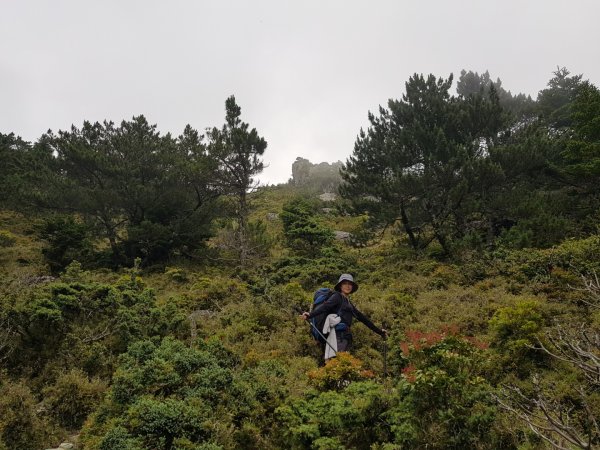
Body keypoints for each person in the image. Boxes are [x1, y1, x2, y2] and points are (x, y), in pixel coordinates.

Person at [301, 273, 387, 357]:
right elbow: (325, 306)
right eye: (345, 283)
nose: (348, 286)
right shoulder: (337, 296)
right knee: (338, 363)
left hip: (345, 336)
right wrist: (310, 315)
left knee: (340, 363)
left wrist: (379, 332)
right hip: (338, 336)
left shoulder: (348, 303)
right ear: (340, 286)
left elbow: (362, 318)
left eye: (350, 284)